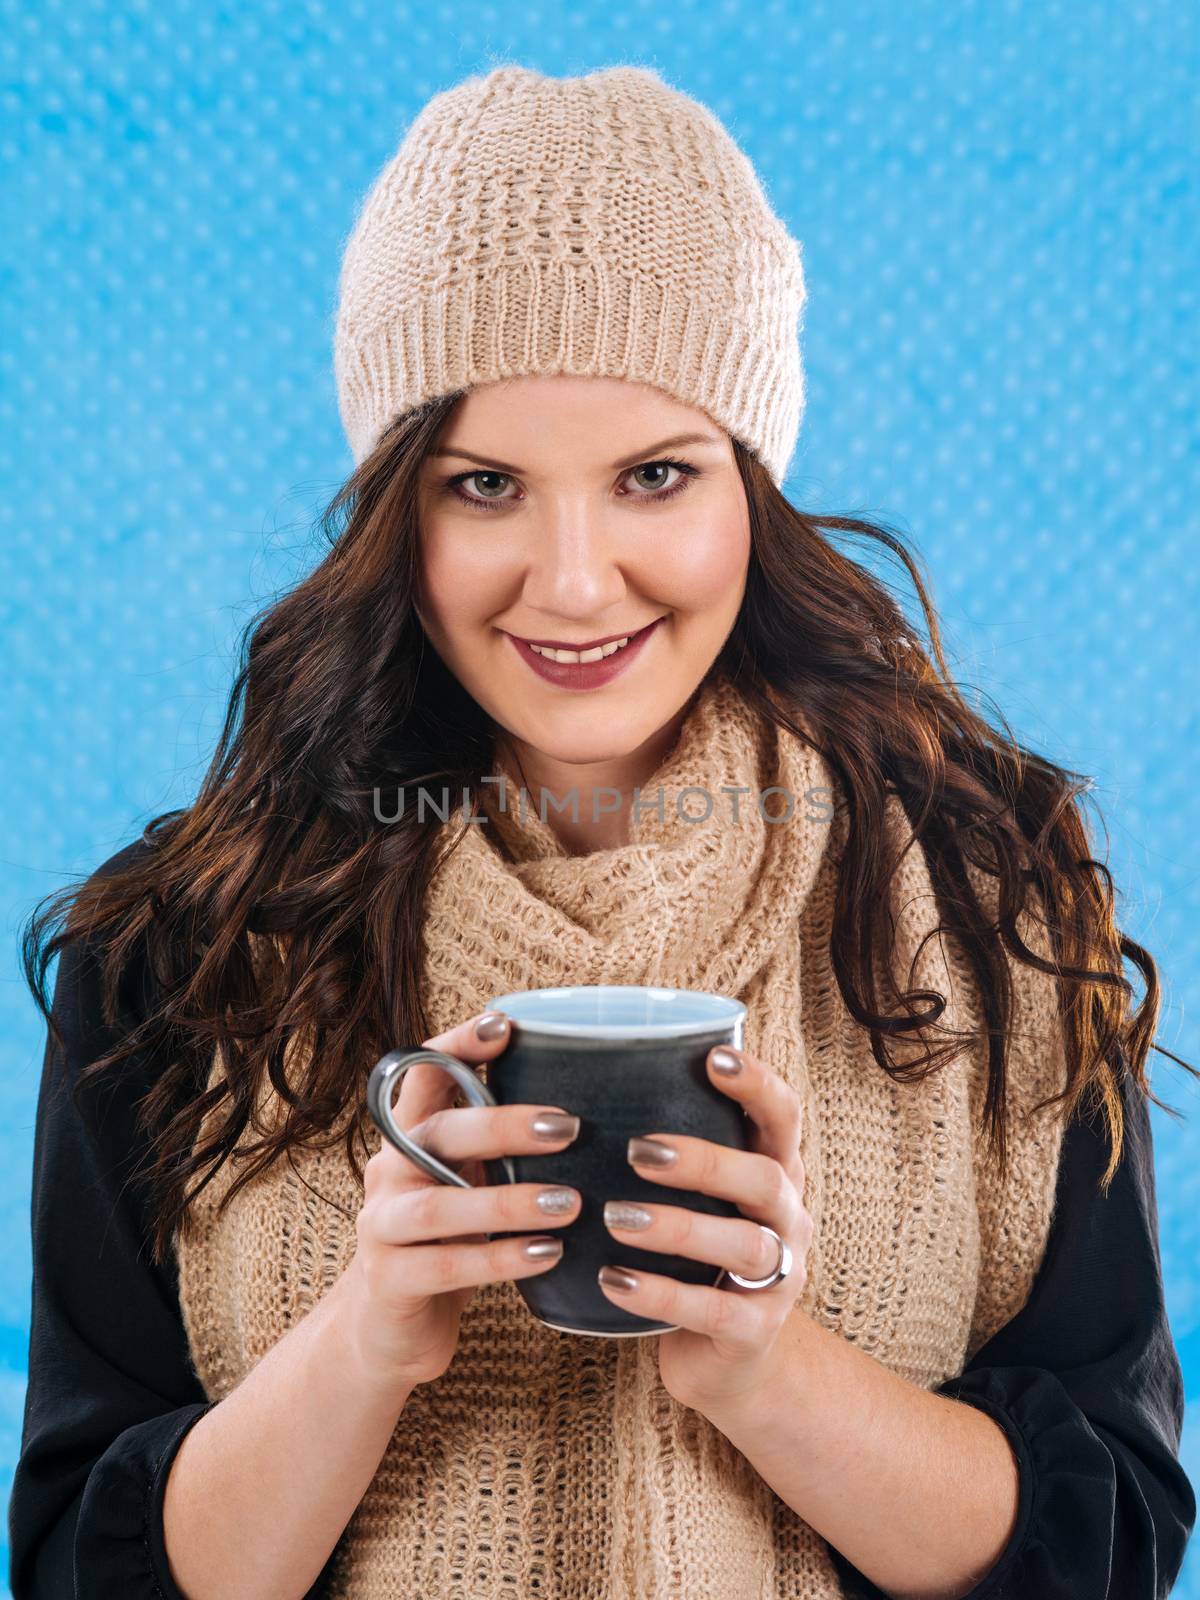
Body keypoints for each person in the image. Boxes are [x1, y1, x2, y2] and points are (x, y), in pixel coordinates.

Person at [9, 61, 1196, 1600]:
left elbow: (1107, 1544)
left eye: (655, 477)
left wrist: (765, 1367)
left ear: (752, 490)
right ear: (395, 512)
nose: (573, 583)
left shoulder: (989, 897)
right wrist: (365, 1342)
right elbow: (77, 1567)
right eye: (484, 485)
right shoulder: (181, 939)